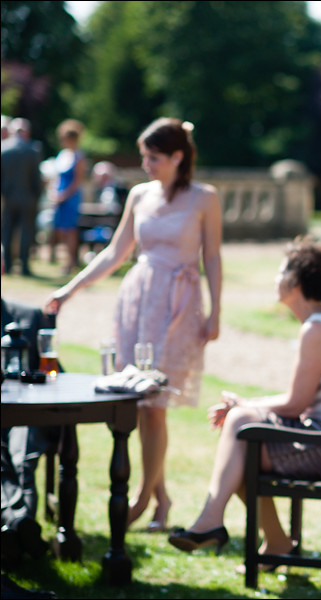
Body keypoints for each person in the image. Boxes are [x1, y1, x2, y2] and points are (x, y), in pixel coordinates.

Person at [44, 117, 223, 534]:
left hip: (178, 305)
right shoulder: (140, 194)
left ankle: (143, 498)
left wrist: (216, 311)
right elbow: (115, 252)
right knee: (137, 403)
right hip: (138, 301)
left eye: (153, 157)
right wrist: (70, 289)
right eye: (144, 156)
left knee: (155, 404)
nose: (145, 164)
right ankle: (161, 501)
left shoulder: (204, 198)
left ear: (178, 157)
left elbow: (212, 257)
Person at [168, 237, 321, 559]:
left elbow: (296, 404)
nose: (276, 279)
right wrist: (246, 408)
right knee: (240, 434)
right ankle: (265, 539)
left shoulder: (316, 330)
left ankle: (212, 522)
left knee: (240, 441)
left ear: (295, 282)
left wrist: (245, 407)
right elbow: (301, 402)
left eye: (281, 272)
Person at [1, 245, 54, 565]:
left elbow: (53, 375)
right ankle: (21, 526)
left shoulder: (28, 317)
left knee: (22, 456)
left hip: (25, 414)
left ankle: (12, 528)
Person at [1, 118, 44, 277]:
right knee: (26, 232)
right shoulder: (32, 150)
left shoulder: (3, 150)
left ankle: (8, 265)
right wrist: (37, 195)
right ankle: (24, 266)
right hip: (28, 199)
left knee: (7, 231)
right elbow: (36, 178)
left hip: (9, 198)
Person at [49, 119, 87, 275]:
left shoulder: (79, 156)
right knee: (59, 229)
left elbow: (78, 180)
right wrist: (54, 192)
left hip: (70, 197)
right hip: (60, 196)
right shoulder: (63, 155)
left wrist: (64, 195)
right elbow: (57, 177)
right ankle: (63, 260)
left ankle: (71, 262)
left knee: (70, 230)